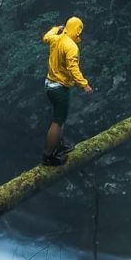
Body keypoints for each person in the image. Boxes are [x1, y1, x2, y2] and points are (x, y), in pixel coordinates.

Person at [41, 16, 92, 166]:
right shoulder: (71, 47)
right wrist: (84, 84)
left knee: (58, 118)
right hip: (59, 88)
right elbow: (73, 68)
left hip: (49, 84)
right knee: (58, 121)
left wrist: (57, 28)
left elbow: (46, 37)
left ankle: (58, 144)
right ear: (78, 30)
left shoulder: (57, 38)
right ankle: (48, 156)